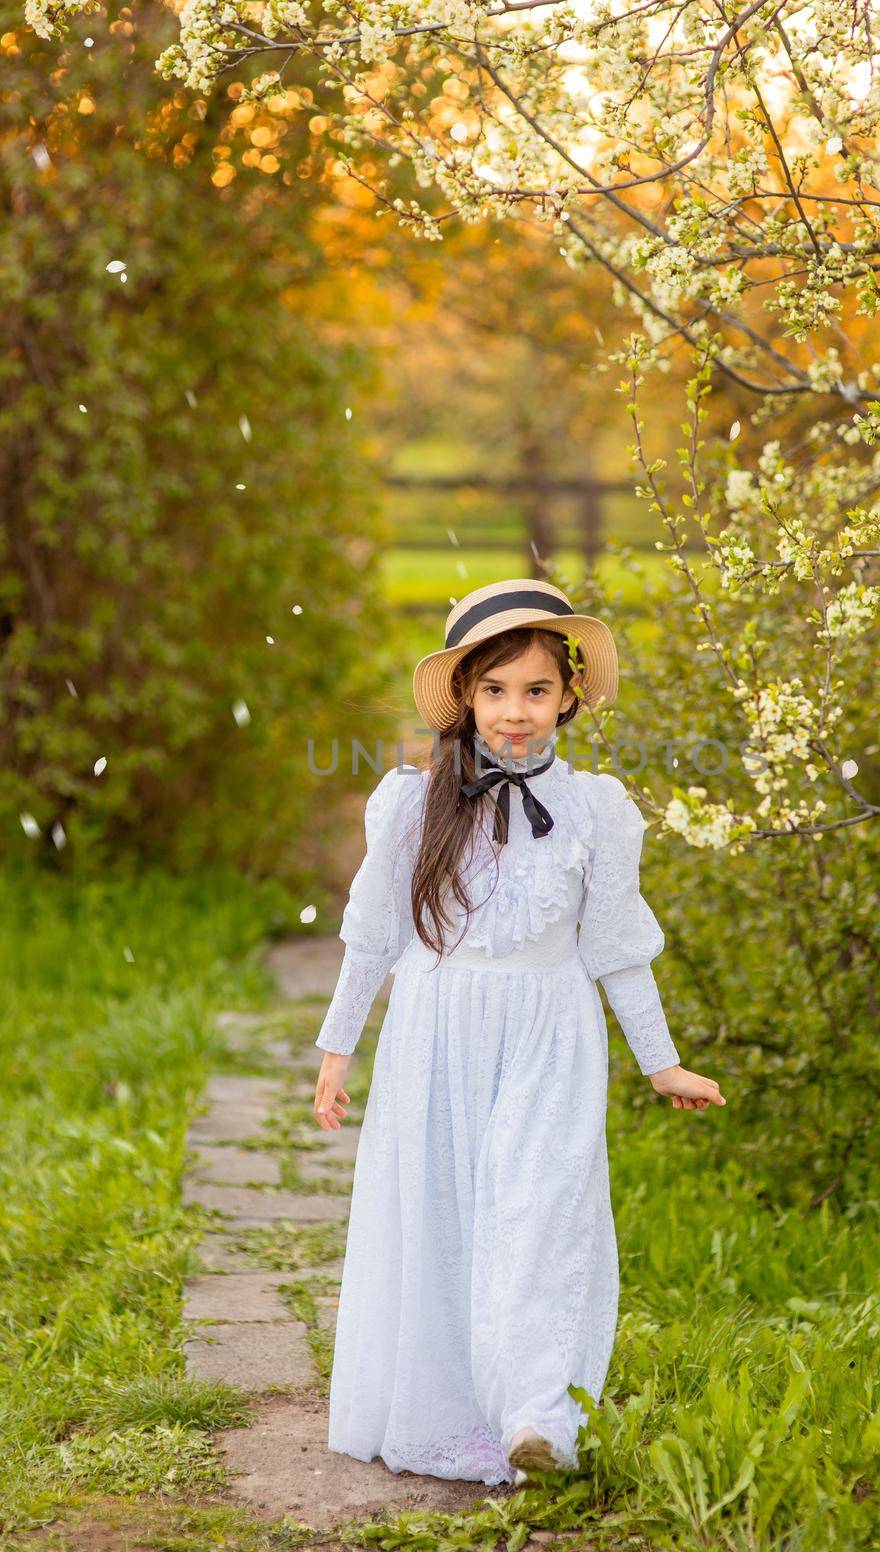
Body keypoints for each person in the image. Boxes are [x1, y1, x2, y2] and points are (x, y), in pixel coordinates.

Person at [313, 577, 725, 1489]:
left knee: (540, 1214)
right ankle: (452, 1402)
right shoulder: (411, 804)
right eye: (494, 690)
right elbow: (374, 935)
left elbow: (615, 947)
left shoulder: (597, 811)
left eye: (535, 691)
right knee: (447, 1217)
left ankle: (538, 1418)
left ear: (568, 696)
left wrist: (661, 1063)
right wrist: (338, 1050)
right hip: (436, 1031)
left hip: (549, 1033)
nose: (514, 712)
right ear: (463, 696)